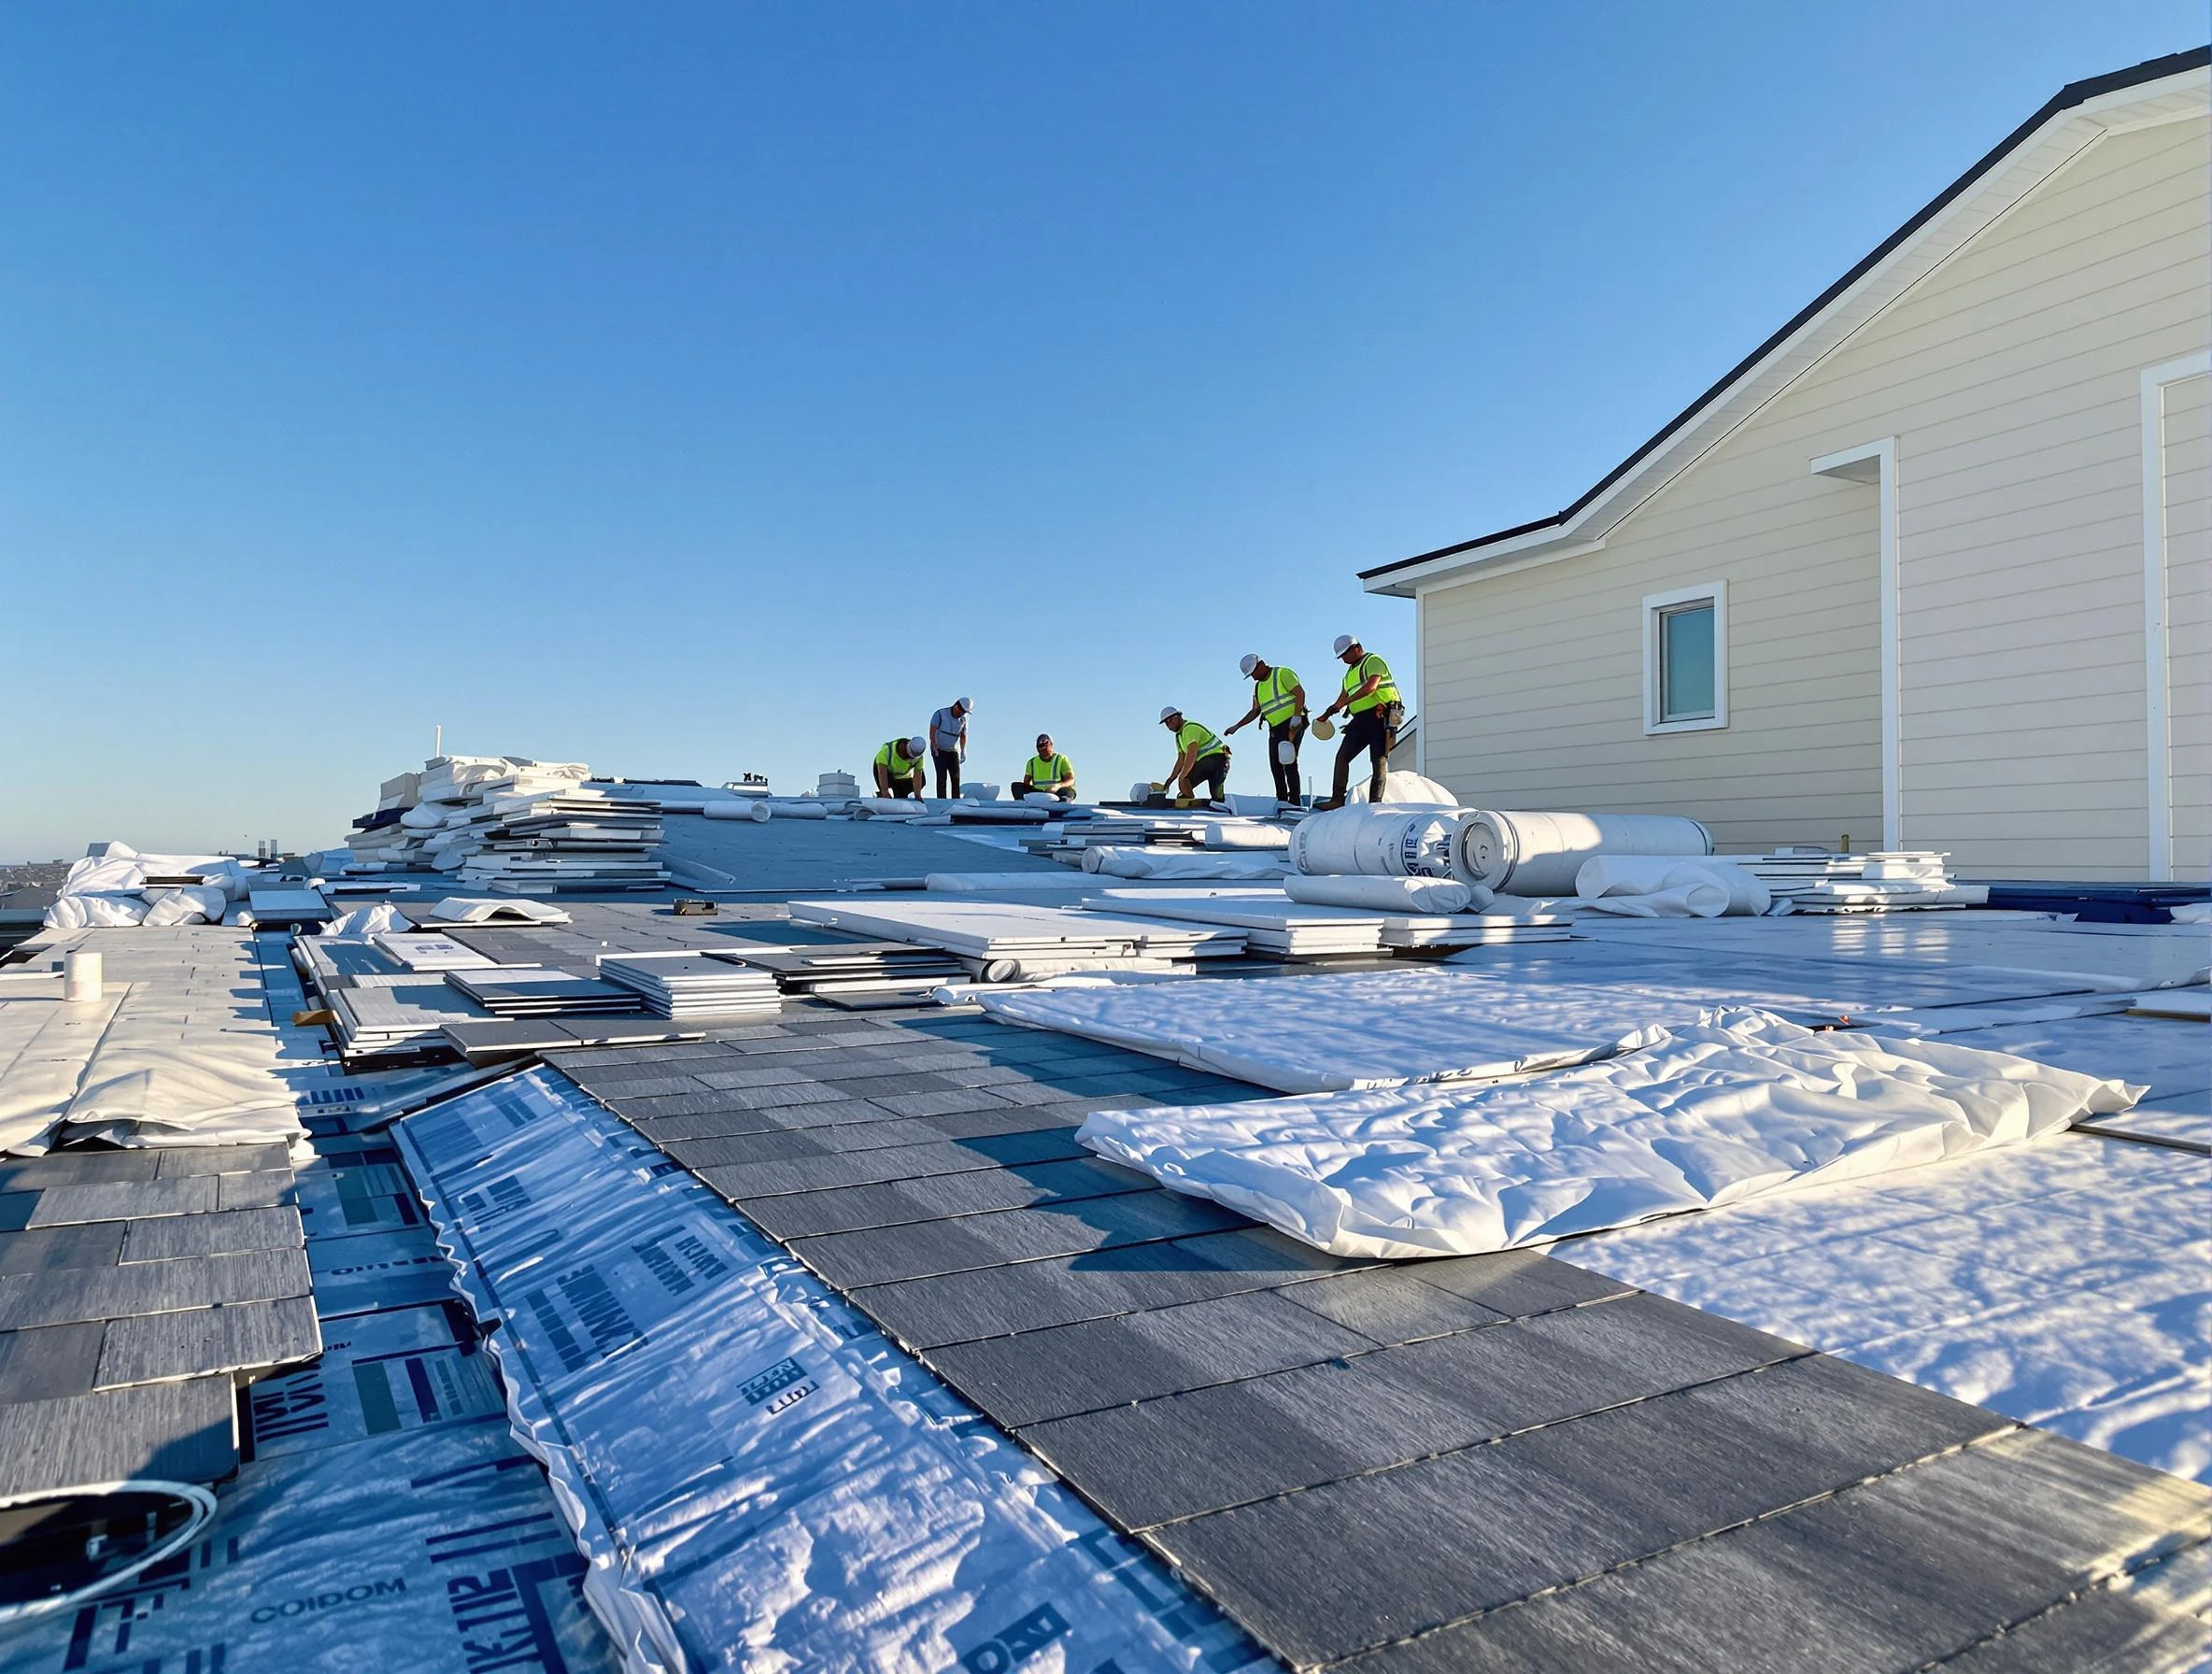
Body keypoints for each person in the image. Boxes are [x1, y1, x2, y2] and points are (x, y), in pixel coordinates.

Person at [1313, 634, 1402, 807]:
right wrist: (1328, 713)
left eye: (1345, 654)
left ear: (1356, 648)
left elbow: (1371, 688)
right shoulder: (1349, 675)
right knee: (1342, 757)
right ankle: (1337, 799)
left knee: (1378, 760)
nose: (1343, 659)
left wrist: (1345, 703)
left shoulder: (1373, 660)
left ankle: (1375, 803)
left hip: (1382, 716)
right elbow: (1342, 698)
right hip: (1361, 719)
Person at [1224, 652, 1307, 806]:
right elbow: (1255, 711)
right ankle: (1282, 800)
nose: (1253, 677)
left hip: (1293, 723)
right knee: (1275, 763)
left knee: (1288, 759)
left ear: (1261, 665)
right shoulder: (1257, 687)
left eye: (1254, 673)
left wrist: (1296, 718)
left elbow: (1300, 693)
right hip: (1275, 728)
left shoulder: (1282, 673)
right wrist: (1237, 726)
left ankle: (1295, 801)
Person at [1156, 706, 1230, 805]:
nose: (1170, 723)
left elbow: (1192, 753)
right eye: (1167, 722)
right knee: (1186, 786)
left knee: (1184, 780)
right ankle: (1192, 800)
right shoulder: (1179, 736)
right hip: (1210, 762)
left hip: (1216, 760)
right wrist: (1169, 780)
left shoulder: (1189, 728)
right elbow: (1181, 760)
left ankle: (1192, 800)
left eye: (1171, 719)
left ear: (1179, 716)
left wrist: (1182, 776)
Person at [928, 697, 972, 799]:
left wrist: (963, 751)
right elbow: (932, 732)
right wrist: (934, 746)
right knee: (942, 776)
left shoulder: (963, 720)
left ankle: (956, 801)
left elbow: (963, 736)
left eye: (965, 712)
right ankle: (941, 801)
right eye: (962, 711)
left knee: (955, 777)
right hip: (939, 749)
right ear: (956, 706)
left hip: (953, 751)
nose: (962, 714)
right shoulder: (940, 714)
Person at [1013, 733, 1077, 802]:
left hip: (1056, 792)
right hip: (1038, 793)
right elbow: (1026, 782)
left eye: (1045, 748)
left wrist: (1057, 786)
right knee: (1016, 786)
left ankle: (1062, 803)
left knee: (1069, 792)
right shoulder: (1032, 762)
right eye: (1040, 748)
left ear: (1051, 745)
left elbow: (1071, 780)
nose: (1043, 751)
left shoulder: (1061, 759)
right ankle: (1024, 802)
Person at [872, 735, 929, 801]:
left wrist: (917, 795)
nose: (909, 759)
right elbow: (882, 773)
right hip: (884, 773)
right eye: (908, 755)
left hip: (900, 778)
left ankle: (899, 792)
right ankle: (881, 794)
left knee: (921, 781)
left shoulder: (918, 757)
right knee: (885, 795)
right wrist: (885, 792)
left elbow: (918, 775)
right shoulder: (887, 751)